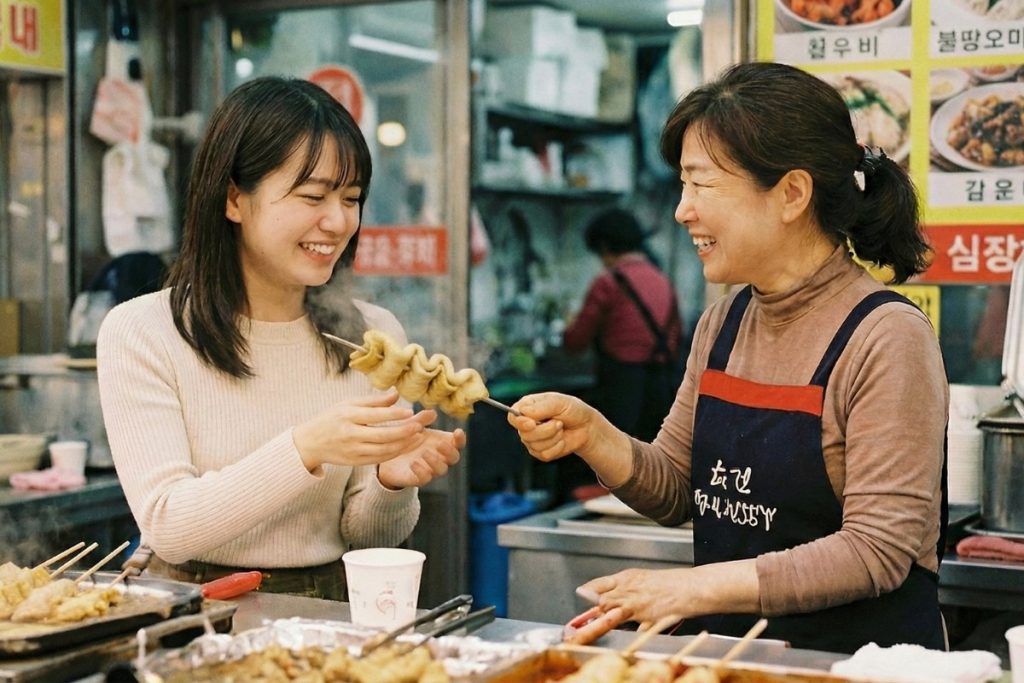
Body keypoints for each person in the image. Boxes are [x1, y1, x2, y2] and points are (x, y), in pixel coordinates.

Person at [508, 61, 948, 654]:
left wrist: (690, 591)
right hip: (736, 659)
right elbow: (675, 488)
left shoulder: (885, 336)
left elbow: (877, 551)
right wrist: (592, 434)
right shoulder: (724, 323)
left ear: (791, 193)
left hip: (854, 664)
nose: (681, 210)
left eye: (701, 184)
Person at [96, 76, 465, 600]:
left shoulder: (373, 335)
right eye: (312, 195)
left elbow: (366, 535)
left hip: (332, 604)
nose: (337, 221)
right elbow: (169, 527)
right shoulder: (144, 332)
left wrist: (390, 482)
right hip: (194, 608)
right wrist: (307, 447)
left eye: (352, 198)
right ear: (234, 199)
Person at [562, 208, 685, 444]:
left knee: (614, 464)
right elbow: (677, 335)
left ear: (605, 247)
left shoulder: (608, 283)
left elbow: (576, 341)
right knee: (654, 463)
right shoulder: (663, 281)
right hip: (662, 390)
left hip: (620, 390)